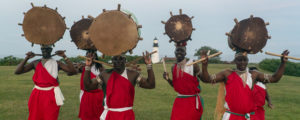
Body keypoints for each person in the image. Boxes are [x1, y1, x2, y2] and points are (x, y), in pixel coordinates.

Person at [200, 50, 289, 120]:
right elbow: (207, 79)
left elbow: (274, 78)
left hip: (248, 117)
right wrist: (204, 65)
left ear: (248, 61)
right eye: (239, 60)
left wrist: (283, 63)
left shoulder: (254, 74)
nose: (242, 63)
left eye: (245, 60)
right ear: (235, 61)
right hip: (231, 117)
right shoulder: (227, 74)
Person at [83, 51, 155, 120]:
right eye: (115, 59)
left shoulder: (132, 74)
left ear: (125, 60)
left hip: (127, 115)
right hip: (110, 115)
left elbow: (150, 85)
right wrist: (88, 66)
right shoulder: (105, 75)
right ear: (112, 60)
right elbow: (88, 87)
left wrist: (149, 65)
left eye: (121, 59)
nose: (118, 61)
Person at [15, 45, 77, 120]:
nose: (45, 51)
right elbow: (17, 71)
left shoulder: (57, 63)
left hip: (51, 94)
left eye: (47, 49)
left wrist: (64, 56)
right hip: (37, 94)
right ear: (41, 50)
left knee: (50, 116)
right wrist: (27, 58)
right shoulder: (36, 63)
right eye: (43, 49)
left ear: (51, 50)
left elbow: (73, 71)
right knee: (35, 116)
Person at [163, 43, 203, 120]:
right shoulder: (173, 67)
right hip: (179, 101)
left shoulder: (193, 64)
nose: (179, 52)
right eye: (177, 50)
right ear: (174, 52)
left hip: (192, 102)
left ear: (185, 53)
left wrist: (204, 66)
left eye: (182, 50)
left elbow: (205, 79)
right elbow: (176, 86)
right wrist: (167, 79)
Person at [75, 50, 105, 120]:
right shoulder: (83, 66)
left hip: (98, 95)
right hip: (86, 95)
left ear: (96, 57)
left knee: (98, 115)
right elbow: (72, 72)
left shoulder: (101, 68)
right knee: (86, 115)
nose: (90, 57)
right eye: (88, 55)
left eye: (92, 55)